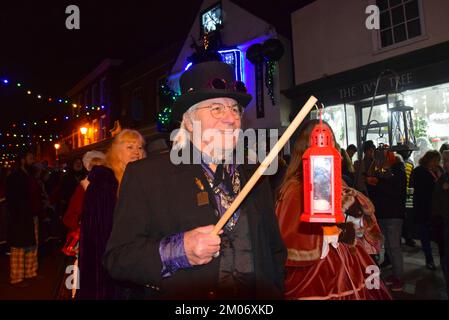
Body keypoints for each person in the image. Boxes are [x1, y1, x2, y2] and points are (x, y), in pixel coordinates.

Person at [104, 59, 286, 299]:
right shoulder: (146, 175)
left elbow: (274, 251)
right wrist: (179, 250)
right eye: (217, 108)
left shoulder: (255, 174)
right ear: (189, 122)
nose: (231, 119)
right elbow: (118, 258)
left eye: (235, 109)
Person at [275, 119, 391, 300]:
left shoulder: (336, 179)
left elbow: (355, 218)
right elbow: (290, 234)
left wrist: (355, 218)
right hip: (318, 270)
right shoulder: (295, 187)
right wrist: (330, 234)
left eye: (331, 140)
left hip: (349, 257)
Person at [79, 130, 145, 300]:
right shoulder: (104, 181)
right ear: (116, 151)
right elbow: (97, 231)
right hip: (111, 263)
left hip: (137, 259)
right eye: (129, 147)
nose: (136, 152)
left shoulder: (140, 177)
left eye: (139, 147)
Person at [366, 153, 407, 291]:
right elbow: (376, 193)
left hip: (394, 215)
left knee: (394, 247)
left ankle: (399, 279)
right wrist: (372, 183)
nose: (379, 162)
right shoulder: (383, 172)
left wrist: (377, 182)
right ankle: (396, 276)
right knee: (389, 247)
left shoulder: (398, 172)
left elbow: (395, 192)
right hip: (383, 214)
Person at [5, 151, 42, 286]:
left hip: (32, 216)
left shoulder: (30, 176)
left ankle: (31, 272)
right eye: (30, 158)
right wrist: (18, 215)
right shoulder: (15, 177)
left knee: (33, 245)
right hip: (20, 217)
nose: (33, 160)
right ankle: (17, 277)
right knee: (19, 247)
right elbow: (13, 199)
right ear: (22, 160)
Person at [410, 150, 442, 270]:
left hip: (435, 210)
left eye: (437, 161)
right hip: (423, 209)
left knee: (436, 236)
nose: (436, 163)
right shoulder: (419, 171)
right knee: (425, 236)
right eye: (434, 161)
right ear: (428, 159)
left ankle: (438, 259)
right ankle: (429, 259)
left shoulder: (437, 171)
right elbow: (414, 191)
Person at [432, 150, 449, 297]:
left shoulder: (443, 177)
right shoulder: (442, 177)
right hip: (443, 220)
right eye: (444, 160)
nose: (445, 163)